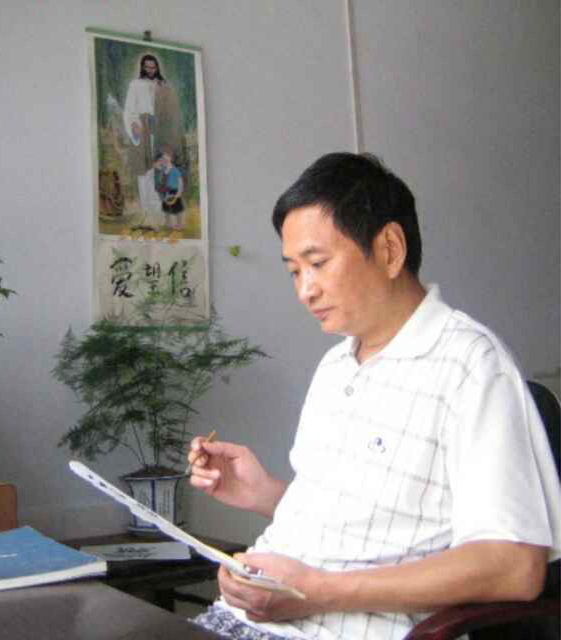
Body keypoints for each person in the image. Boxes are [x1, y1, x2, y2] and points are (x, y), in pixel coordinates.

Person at [188, 152, 561, 640]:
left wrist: (317, 593)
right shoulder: (336, 365)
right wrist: (264, 494)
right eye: (294, 271)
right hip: (239, 622)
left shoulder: (470, 365)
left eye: (317, 263)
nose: (304, 290)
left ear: (389, 249)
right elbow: (367, 529)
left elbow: (514, 566)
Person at [123, 54, 188, 227]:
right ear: (142, 67)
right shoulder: (135, 84)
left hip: (161, 129)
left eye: (153, 67)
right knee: (144, 170)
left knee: (160, 170)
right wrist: (134, 124)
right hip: (143, 128)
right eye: (147, 67)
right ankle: (147, 212)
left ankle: (161, 212)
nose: (150, 70)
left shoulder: (164, 86)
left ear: (157, 67)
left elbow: (171, 111)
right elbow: (129, 109)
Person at [153, 149, 185, 230]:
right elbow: (160, 179)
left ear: (170, 159)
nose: (165, 160)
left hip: (174, 191)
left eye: (167, 158)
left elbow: (180, 181)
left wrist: (179, 192)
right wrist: (163, 172)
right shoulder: (163, 169)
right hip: (166, 191)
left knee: (177, 208)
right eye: (163, 159)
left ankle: (179, 224)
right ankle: (168, 224)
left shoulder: (175, 170)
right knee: (166, 208)